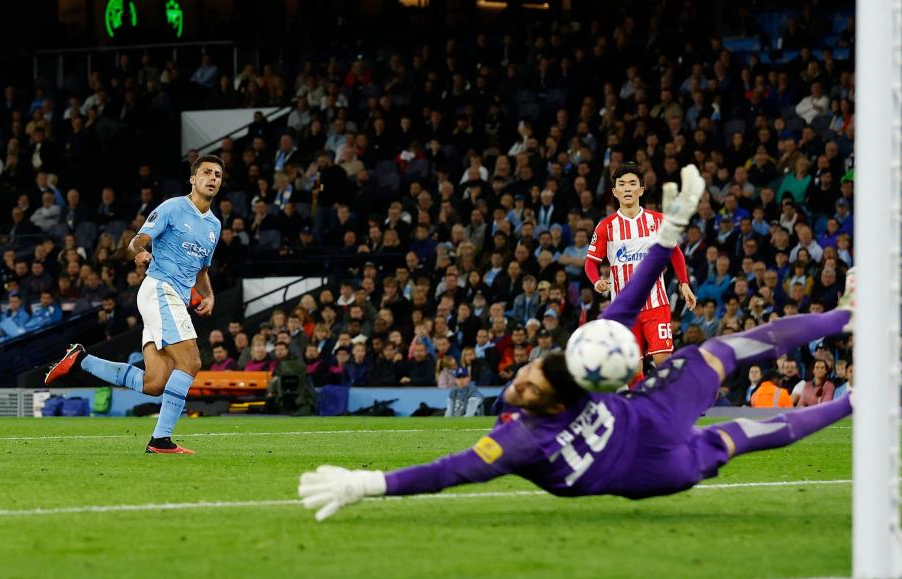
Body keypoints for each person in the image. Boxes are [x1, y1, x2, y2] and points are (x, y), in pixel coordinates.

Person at [297, 165, 856, 522]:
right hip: (654, 465)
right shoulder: (525, 438)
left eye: (532, 376)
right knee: (739, 436)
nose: (522, 376)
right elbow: (446, 472)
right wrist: (367, 484)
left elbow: (630, 298)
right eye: (531, 376)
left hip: (643, 410)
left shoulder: (547, 406)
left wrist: (666, 237)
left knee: (724, 348)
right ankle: (855, 402)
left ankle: (843, 315)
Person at [44, 155, 224, 455]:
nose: (213, 178)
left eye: (218, 174)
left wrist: (209, 295)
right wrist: (140, 252)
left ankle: (82, 360)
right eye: (206, 172)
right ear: (193, 179)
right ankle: (160, 439)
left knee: (155, 382)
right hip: (159, 290)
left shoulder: (214, 226)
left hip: (173, 298)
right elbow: (137, 240)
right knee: (191, 361)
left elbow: (202, 269)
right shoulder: (172, 207)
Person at [584, 163, 697, 369]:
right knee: (631, 369)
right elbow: (591, 262)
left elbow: (675, 252)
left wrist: (684, 283)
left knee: (663, 361)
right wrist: (596, 280)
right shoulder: (606, 226)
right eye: (622, 184)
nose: (627, 188)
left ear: (641, 190)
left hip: (656, 303)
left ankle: (667, 401)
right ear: (615, 191)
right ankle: (638, 400)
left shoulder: (657, 220)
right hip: (624, 308)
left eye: (632, 184)